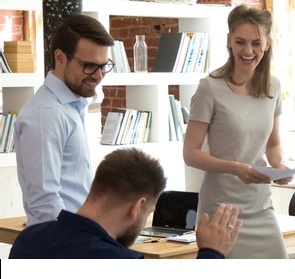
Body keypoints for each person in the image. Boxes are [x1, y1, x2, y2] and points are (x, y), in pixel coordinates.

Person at [183, 5, 291, 259]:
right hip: (222, 210)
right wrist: (236, 168)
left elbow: (273, 145)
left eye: (256, 43)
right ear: (229, 41)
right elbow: (190, 153)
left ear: (266, 45)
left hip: (260, 206)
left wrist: (281, 166)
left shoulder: (273, 86)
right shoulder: (209, 88)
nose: (248, 50)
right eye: (240, 42)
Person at [9, 148, 242, 259]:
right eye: (149, 212)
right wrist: (212, 254)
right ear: (138, 206)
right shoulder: (119, 260)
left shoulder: (27, 240)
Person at [14, 15, 115, 226]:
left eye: (103, 66)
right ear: (60, 58)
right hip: (62, 246)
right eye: (89, 66)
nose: (99, 76)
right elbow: (44, 203)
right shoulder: (46, 115)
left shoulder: (69, 107)